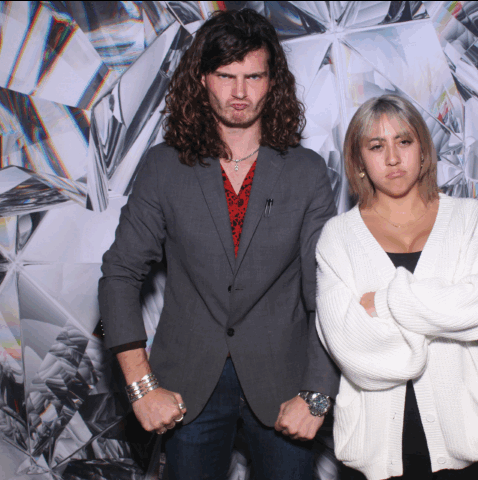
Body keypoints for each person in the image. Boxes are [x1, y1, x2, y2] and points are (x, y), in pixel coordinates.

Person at [98, 9, 339, 480]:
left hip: (285, 383)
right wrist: (140, 385)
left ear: (273, 82)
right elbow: (119, 275)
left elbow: (327, 291)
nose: (240, 92)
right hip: (186, 383)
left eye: (254, 76)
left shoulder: (307, 171)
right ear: (202, 79)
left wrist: (316, 393)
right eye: (226, 76)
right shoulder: (163, 167)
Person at [315, 95, 478, 480]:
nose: (392, 158)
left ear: (423, 151)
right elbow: (348, 343)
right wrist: (441, 320)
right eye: (376, 146)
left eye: (404, 141)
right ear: (358, 160)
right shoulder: (338, 237)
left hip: (477, 436)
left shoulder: (469, 219)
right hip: (380, 448)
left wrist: (386, 303)